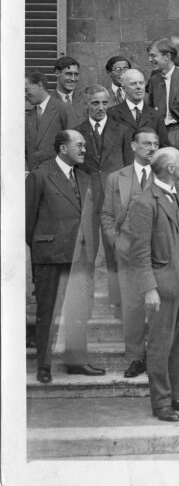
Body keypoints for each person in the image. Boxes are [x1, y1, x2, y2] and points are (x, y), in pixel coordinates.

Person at [129, 147, 179, 422]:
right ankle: (161, 403)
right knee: (161, 345)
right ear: (170, 169)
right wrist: (149, 289)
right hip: (161, 284)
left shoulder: (173, 193)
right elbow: (139, 252)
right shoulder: (145, 202)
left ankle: (177, 396)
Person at [26, 130, 102, 383]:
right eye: (79, 145)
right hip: (50, 256)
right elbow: (28, 221)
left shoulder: (85, 177)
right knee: (47, 311)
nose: (84, 150)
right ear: (62, 149)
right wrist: (44, 245)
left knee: (78, 310)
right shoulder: (40, 175)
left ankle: (77, 362)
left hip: (80, 256)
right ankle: (44, 366)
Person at [100, 128, 160, 379]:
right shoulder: (117, 177)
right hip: (127, 249)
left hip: (158, 251)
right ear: (134, 146)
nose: (152, 148)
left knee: (159, 307)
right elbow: (106, 214)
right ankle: (135, 358)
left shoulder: (167, 174)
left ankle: (158, 358)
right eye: (146, 143)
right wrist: (116, 241)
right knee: (132, 307)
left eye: (156, 144)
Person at [75, 84, 132, 313]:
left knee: (115, 251)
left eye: (104, 103)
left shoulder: (121, 131)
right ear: (86, 104)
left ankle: (117, 302)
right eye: (95, 103)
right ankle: (85, 303)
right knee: (86, 252)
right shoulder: (78, 132)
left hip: (115, 201)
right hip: (88, 201)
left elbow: (129, 166)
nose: (100, 108)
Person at [106, 68, 169, 147]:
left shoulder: (156, 115)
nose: (139, 87)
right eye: (133, 84)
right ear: (124, 88)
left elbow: (164, 146)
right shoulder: (112, 114)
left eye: (141, 83)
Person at [25, 71, 68, 172]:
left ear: (39, 85)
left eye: (27, 90)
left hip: (56, 176)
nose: (25, 95)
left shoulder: (63, 109)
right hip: (34, 177)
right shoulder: (29, 116)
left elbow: (71, 146)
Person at [51, 56, 86, 128]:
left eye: (76, 74)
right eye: (69, 74)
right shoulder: (48, 101)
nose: (73, 79)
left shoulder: (85, 100)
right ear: (57, 73)